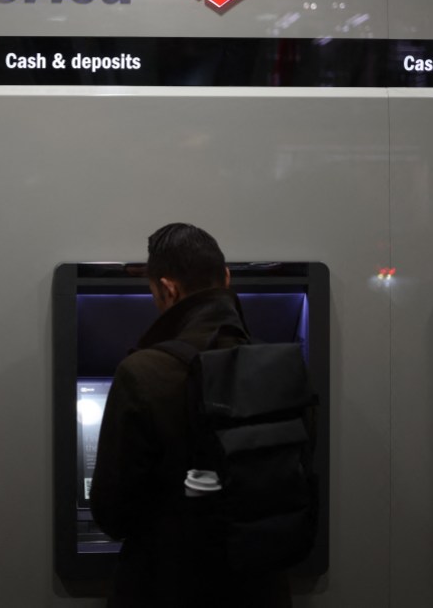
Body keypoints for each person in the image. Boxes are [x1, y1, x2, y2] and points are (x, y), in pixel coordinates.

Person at [89, 223, 292, 607]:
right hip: (261, 588)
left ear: (168, 289)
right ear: (227, 278)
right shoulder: (281, 369)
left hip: (167, 586)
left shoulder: (143, 373)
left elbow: (111, 514)